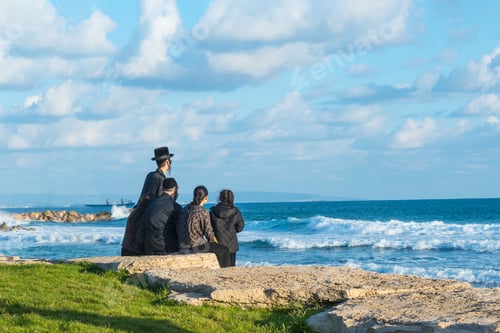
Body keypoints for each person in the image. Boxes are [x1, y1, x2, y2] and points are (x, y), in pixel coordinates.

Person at [177, 185, 231, 268]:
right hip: (196, 246)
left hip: (182, 243)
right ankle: (225, 271)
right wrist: (214, 242)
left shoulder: (184, 209)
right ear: (206, 198)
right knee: (224, 250)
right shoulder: (203, 212)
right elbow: (208, 233)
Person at [142, 178, 182, 254]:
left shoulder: (151, 203)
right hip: (165, 247)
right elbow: (179, 228)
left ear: (163, 188)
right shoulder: (175, 206)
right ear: (175, 190)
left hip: (148, 245)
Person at [209, 189, 245, 266]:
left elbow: (209, 228)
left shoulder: (213, 211)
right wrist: (232, 230)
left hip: (218, 242)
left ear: (220, 198)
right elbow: (240, 227)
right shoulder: (235, 211)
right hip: (232, 243)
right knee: (231, 266)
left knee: (220, 265)